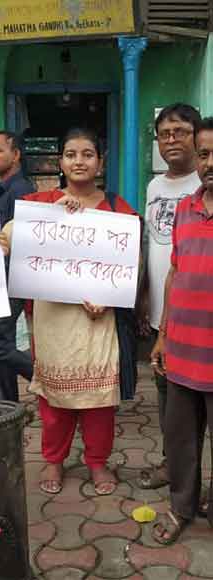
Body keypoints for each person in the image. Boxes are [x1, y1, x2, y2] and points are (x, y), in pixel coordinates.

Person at [0, 127, 137, 497]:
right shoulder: (40, 202)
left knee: (99, 402)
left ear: (100, 162)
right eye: (71, 154)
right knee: (53, 401)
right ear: (60, 162)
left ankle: (97, 462)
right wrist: (52, 213)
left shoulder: (118, 209)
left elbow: (130, 265)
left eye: (88, 154)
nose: (79, 161)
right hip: (53, 322)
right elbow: (7, 241)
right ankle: (54, 459)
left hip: (99, 322)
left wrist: (108, 298)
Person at [149, 116, 213, 544]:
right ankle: (181, 507)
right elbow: (174, 272)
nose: (211, 162)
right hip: (183, 352)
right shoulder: (187, 208)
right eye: (206, 154)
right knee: (182, 438)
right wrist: (163, 334)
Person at [135, 103, 202, 492]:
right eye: (164, 134)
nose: (172, 139)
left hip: (199, 318)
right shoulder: (155, 186)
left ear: (197, 137)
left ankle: (195, 474)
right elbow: (152, 246)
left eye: (180, 131)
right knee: (166, 395)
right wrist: (144, 295)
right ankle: (172, 462)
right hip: (163, 314)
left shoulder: (205, 183)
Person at [0, 130, 35, 402]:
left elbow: (27, 239)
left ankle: (44, 380)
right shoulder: (6, 187)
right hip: (0, 276)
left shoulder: (21, 190)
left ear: (16, 155)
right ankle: (9, 405)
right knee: (1, 345)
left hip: (12, 278)